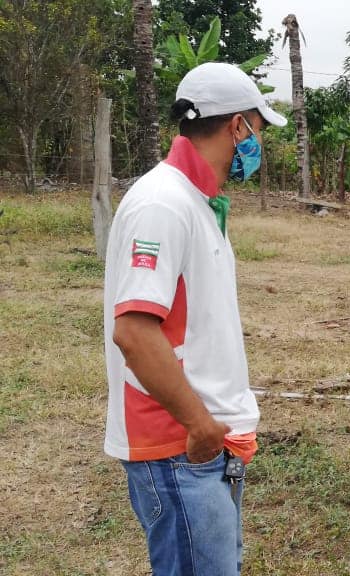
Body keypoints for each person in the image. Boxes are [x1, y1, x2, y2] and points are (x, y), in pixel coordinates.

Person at [104, 62, 285, 575]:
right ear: (237, 126)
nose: (257, 143)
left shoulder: (197, 202)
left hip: (204, 445)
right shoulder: (163, 204)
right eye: (257, 128)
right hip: (179, 446)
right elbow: (134, 332)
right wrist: (199, 426)